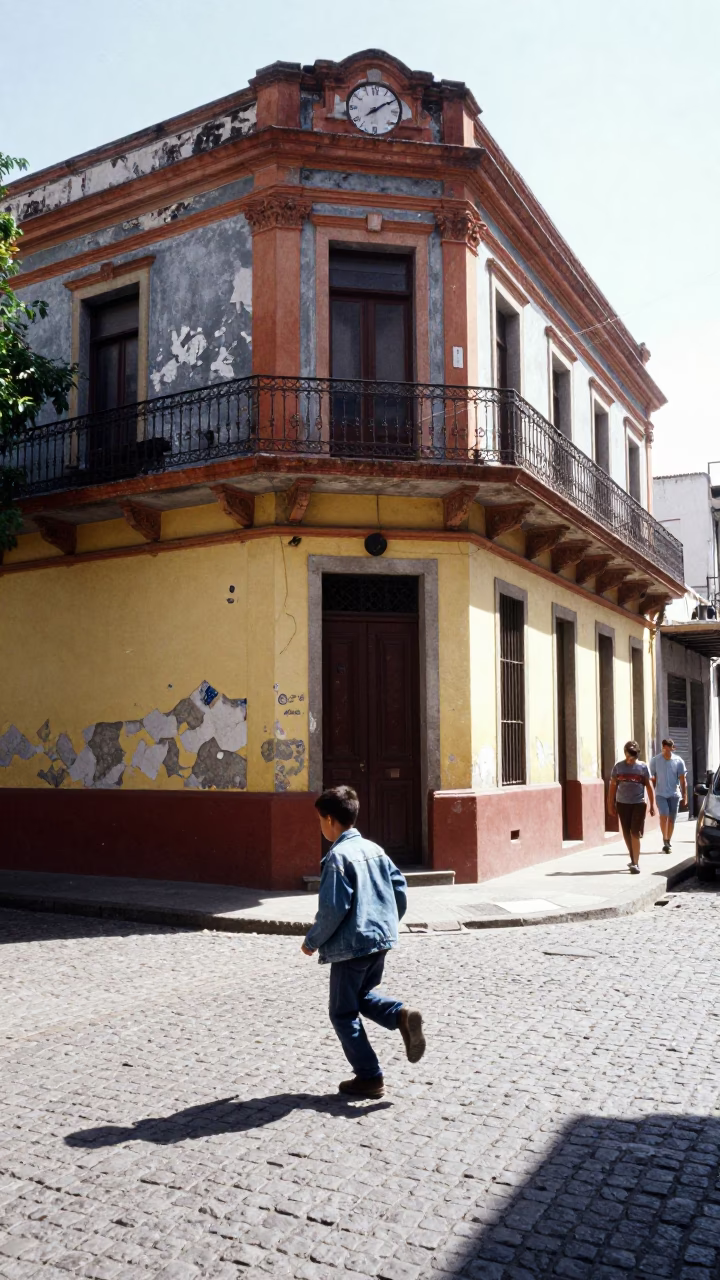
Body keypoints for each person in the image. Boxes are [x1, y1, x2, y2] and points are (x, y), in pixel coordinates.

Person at [301, 785, 426, 1099]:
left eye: (320, 820)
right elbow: (400, 888)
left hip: (352, 946)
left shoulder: (337, 858)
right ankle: (400, 1015)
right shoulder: (375, 849)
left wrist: (312, 941)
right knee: (360, 996)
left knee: (342, 1013)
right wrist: (386, 923)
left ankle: (369, 1076)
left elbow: (333, 909)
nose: (320, 826)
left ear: (330, 820)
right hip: (380, 939)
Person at [607, 740, 656, 873]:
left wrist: (652, 804)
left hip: (639, 803)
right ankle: (632, 857)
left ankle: (635, 862)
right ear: (625, 753)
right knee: (626, 832)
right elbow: (612, 787)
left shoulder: (643, 767)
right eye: (628, 756)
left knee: (635, 832)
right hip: (622, 803)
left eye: (633, 756)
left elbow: (649, 785)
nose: (630, 759)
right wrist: (610, 804)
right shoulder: (618, 767)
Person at [649, 738, 688, 853]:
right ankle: (664, 840)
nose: (667, 751)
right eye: (665, 748)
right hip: (660, 793)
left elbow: (682, 779)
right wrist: (653, 790)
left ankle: (668, 840)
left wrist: (685, 796)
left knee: (671, 819)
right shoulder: (655, 760)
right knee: (663, 815)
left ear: (672, 748)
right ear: (663, 747)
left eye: (669, 748)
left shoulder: (678, 761)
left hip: (674, 794)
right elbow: (652, 777)